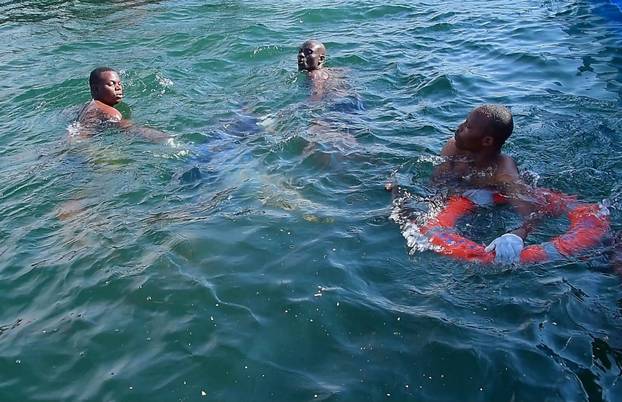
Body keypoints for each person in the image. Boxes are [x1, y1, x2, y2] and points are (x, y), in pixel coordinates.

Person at [389, 104, 540, 265]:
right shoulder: (452, 148)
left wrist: (517, 235)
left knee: (480, 247)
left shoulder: (504, 172)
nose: (459, 127)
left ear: (487, 140)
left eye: (467, 126)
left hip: (489, 208)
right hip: (458, 203)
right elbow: (435, 186)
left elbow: (532, 213)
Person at [74, 67, 169, 142]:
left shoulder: (85, 107)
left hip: (73, 142)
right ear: (95, 89)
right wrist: (163, 137)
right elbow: (130, 128)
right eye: (111, 84)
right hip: (85, 147)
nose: (118, 88)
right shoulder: (110, 112)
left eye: (119, 83)